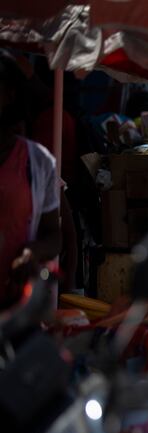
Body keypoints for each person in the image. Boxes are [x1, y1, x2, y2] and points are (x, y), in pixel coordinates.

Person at [0, 52, 61, 309]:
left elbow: (54, 235)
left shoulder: (37, 162)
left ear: (9, 95)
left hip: (13, 310)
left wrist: (32, 252)